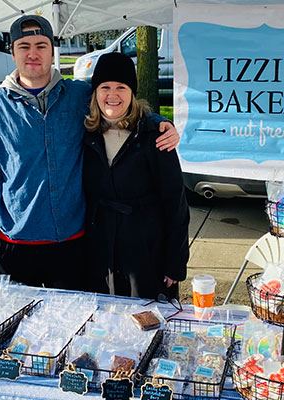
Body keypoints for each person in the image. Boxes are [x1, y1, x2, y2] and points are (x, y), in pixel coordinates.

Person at [0, 16, 179, 289]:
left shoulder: (78, 95)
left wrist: (158, 123)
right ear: (13, 52)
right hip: (14, 247)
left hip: (72, 246)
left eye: (41, 45)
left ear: (52, 50)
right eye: (24, 46)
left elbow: (117, 100)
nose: (33, 54)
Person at [82, 52, 190, 300]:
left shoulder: (154, 135)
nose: (112, 95)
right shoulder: (87, 134)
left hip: (145, 250)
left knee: (145, 320)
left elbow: (176, 203)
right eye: (105, 87)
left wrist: (175, 262)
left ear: (132, 93)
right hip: (100, 249)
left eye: (121, 87)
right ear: (95, 92)